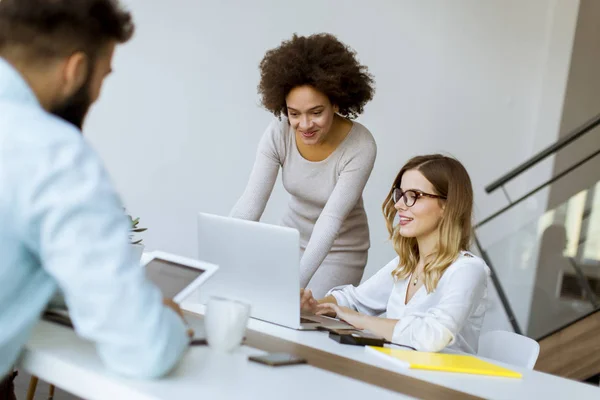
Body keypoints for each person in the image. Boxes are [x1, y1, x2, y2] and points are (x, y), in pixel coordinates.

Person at [0, 0, 190, 391]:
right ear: (75, 70)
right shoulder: (52, 152)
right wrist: (161, 317)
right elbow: (145, 348)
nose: (99, 93)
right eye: (104, 76)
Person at [231, 33, 377, 297]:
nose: (305, 125)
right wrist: (221, 255)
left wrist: (294, 285)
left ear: (335, 102)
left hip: (340, 250)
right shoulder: (279, 132)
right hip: (290, 238)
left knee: (301, 316)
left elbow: (330, 220)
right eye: (294, 113)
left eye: (316, 112)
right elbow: (251, 203)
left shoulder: (361, 146)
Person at [301, 155, 490, 354]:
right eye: (400, 194)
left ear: (447, 205)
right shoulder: (406, 265)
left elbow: (433, 336)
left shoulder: (468, 270)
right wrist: (314, 307)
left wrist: (362, 321)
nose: (399, 204)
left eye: (414, 195)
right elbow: (355, 301)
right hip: (397, 370)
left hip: (442, 382)